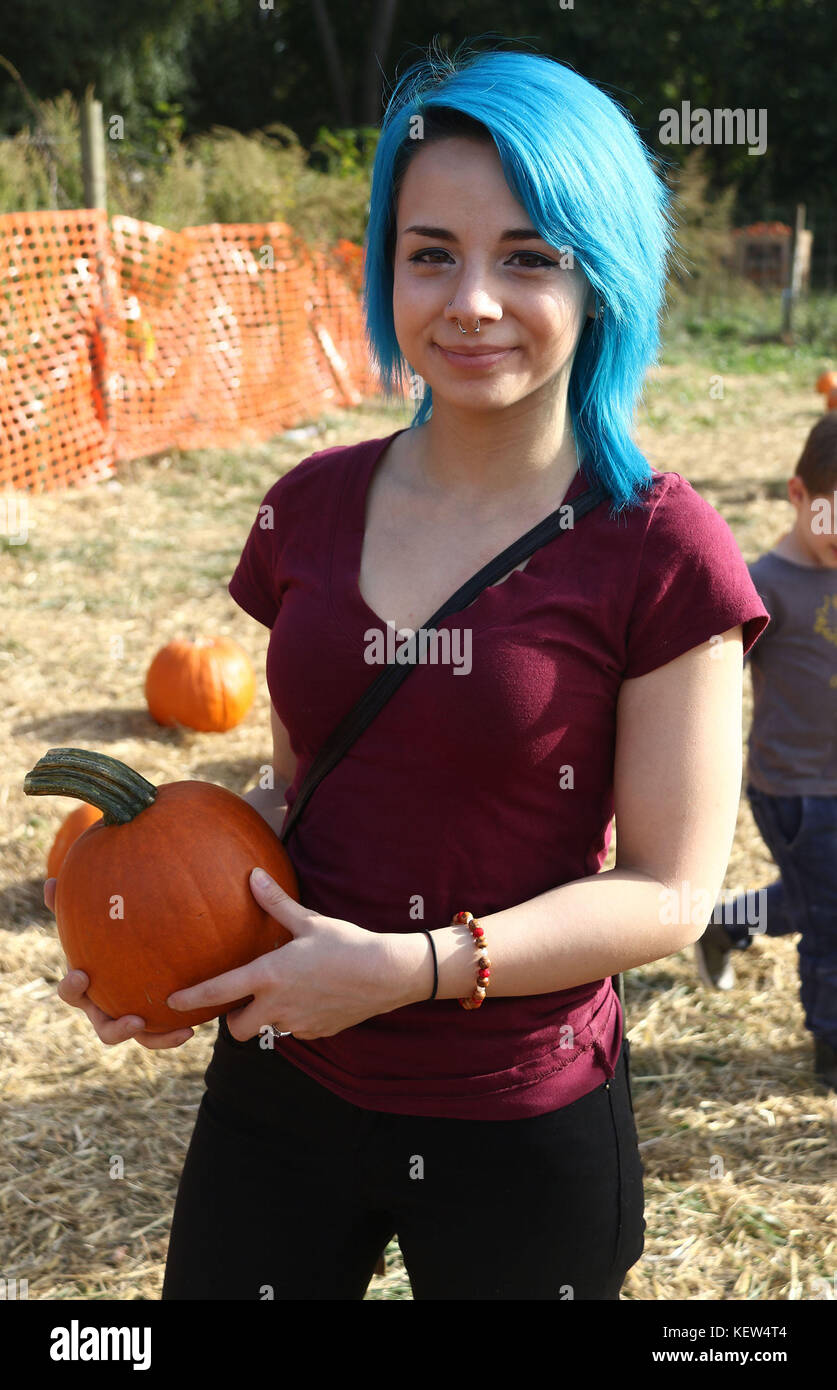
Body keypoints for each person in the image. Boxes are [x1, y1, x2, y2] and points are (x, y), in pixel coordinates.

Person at [45, 40, 769, 1300]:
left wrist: (411, 967)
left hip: (517, 1116)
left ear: (600, 274)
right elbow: (300, 797)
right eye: (432, 252)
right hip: (281, 1076)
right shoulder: (308, 508)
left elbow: (669, 892)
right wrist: (156, 946)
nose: (471, 301)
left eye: (528, 257)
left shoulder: (662, 548)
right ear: (388, 268)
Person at [694, 413, 837, 1092]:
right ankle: (830, 1044)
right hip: (797, 790)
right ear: (798, 494)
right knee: (829, 919)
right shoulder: (763, 588)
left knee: (818, 896)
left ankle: (727, 923)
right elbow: (709, 684)